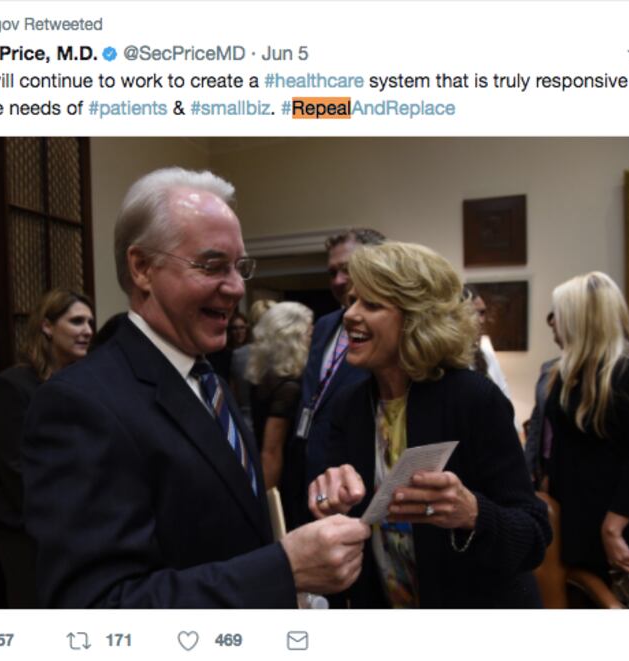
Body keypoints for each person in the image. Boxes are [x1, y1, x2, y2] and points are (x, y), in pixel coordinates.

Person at [21, 167, 370, 608]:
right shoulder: (80, 404)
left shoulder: (207, 381)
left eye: (240, 267)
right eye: (212, 266)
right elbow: (97, 606)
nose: (237, 288)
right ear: (142, 268)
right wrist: (282, 569)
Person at [309, 241, 551, 608]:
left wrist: (472, 513)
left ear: (416, 319)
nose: (350, 314)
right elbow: (346, 516)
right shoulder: (349, 406)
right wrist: (327, 500)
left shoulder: (473, 399)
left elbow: (534, 535)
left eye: (371, 304)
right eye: (352, 301)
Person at [0, 288, 94, 607]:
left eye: (90, 322)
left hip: (82, 527)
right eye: (76, 321)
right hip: (28, 532)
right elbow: (16, 469)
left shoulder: (85, 382)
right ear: (47, 326)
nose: (88, 330)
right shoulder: (13, 385)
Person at [543, 272, 629, 581]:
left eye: (558, 314)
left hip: (622, 528)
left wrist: (614, 525)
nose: (552, 322)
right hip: (579, 522)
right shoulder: (567, 375)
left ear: (581, 319)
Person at [297, 228, 386, 489]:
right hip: (312, 468)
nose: (338, 281)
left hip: (360, 476)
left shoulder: (388, 331)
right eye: (332, 272)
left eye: (347, 269)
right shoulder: (324, 325)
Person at [246, 302, 313, 498]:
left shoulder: (266, 375)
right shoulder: (288, 387)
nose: (314, 339)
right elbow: (271, 451)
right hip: (283, 479)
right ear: (293, 338)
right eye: (309, 334)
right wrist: (267, 504)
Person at [523, 310, 562, 488]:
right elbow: (537, 420)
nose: (551, 321)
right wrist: (528, 465)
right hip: (543, 465)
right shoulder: (548, 369)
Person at [230, 301, 276, 428]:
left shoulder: (238, 354)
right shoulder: (281, 355)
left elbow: (234, 395)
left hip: (245, 424)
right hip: (271, 426)